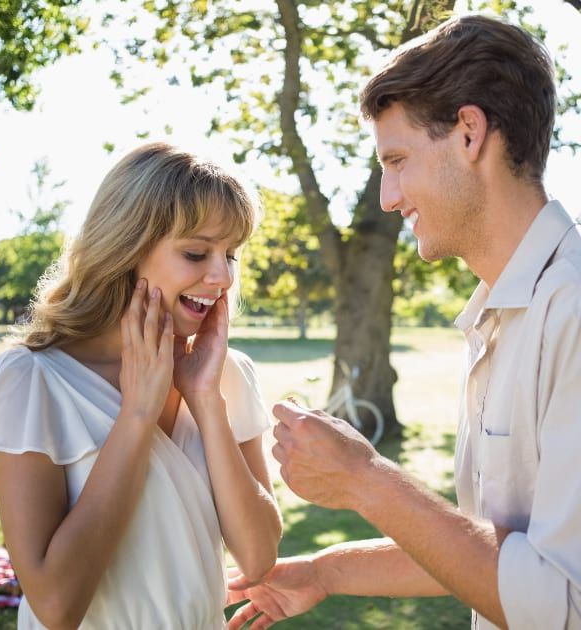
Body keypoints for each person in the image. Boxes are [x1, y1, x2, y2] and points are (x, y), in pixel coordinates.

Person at [227, 15, 580, 630]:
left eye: (397, 159)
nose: (388, 197)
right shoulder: (501, 315)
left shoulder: (571, 310)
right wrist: (325, 571)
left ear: (469, 133)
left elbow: (560, 604)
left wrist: (364, 480)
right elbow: (494, 553)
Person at [0, 143, 282, 628]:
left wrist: (205, 401)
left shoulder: (227, 375)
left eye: (230, 255)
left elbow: (259, 557)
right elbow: (56, 605)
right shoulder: (29, 382)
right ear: (126, 248)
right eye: (197, 252)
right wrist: (137, 413)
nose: (221, 277)